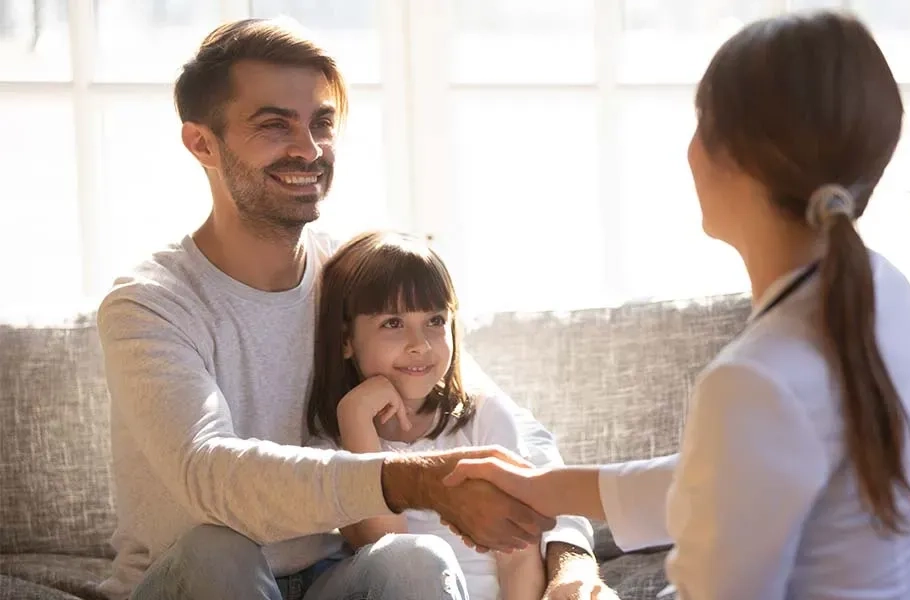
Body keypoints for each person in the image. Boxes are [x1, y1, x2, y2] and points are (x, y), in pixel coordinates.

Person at [443, 10, 910, 600]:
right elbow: (737, 480)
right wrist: (543, 487)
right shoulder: (884, 288)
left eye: (700, 121)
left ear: (735, 158)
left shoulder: (755, 381)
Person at [95, 17, 613, 600]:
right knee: (221, 550)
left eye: (322, 123)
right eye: (274, 124)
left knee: (414, 558)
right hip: (198, 579)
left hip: (332, 581)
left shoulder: (350, 273)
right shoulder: (149, 305)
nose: (309, 150)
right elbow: (210, 474)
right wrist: (418, 481)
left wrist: (571, 562)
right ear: (202, 143)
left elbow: (508, 429)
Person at [307, 229, 550, 600]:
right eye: (393, 323)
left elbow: (519, 560)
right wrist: (355, 417)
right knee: (413, 558)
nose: (419, 344)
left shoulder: (483, 419)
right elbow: (388, 551)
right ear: (345, 340)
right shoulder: (334, 440)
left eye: (435, 321)